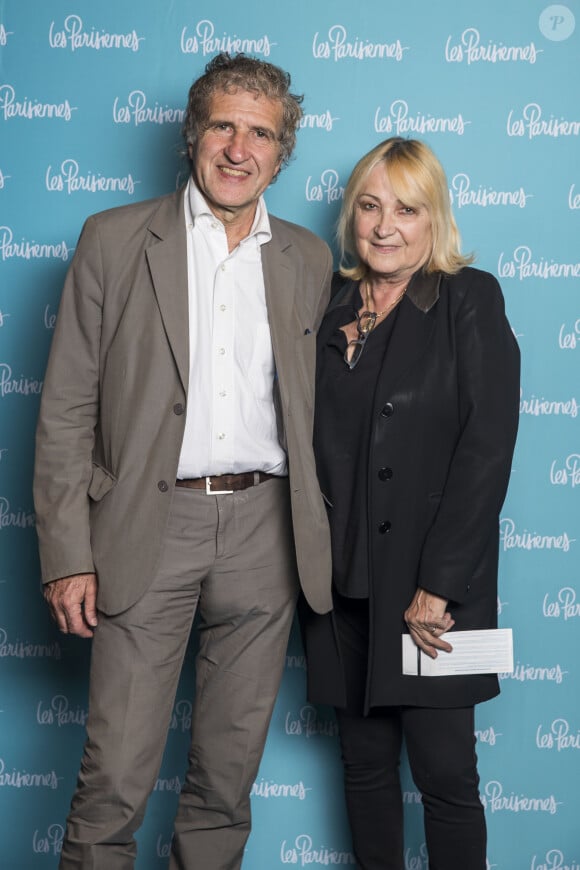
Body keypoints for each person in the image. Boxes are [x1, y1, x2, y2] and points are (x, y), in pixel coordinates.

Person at [33, 52, 332, 870]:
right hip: (146, 525)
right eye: (224, 126)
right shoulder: (115, 239)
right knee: (116, 777)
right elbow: (63, 411)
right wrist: (66, 556)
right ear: (192, 134)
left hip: (266, 532)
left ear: (282, 151)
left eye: (261, 133)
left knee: (226, 780)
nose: (240, 148)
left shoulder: (307, 259)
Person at [300, 137, 520, 870]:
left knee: (447, 778)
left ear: (435, 220)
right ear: (351, 216)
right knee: (363, 774)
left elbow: (486, 449)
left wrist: (440, 585)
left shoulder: (468, 297)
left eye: (406, 208)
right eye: (369, 205)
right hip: (340, 589)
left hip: (434, 593)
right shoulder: (327, 307)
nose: (384, 225)